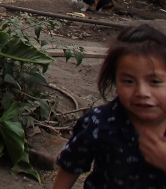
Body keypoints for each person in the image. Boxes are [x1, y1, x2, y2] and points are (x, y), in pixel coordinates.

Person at [52, 23, 166, 189]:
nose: (142, 92)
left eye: (154, 81)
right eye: (128, 81)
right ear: (114, 81)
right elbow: (70, 165)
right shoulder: (99, 123)